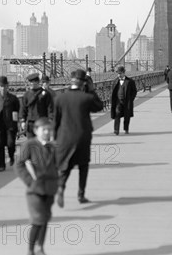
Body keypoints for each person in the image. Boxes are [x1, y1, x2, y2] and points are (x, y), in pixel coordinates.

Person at [54, 69, 104, 207]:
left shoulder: (60, 99)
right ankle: (81, 194)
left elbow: (55, 122)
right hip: (82, 137)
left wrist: (55, 139)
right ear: (83, 83)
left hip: (64, 138)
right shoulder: (86, 98)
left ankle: (61, 187)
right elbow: (99, 106)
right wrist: (92, 90)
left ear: (71, 81)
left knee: (65, 166)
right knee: (83, 165)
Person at [15, 117, 59, 255]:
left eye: (49, 129)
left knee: (45, 219)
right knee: (37, 220)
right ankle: (30, 253)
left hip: (50, 188)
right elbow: (19, 165)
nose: (47, 132)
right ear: (36, 131)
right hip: (35, 190)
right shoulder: (30, 144)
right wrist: (30, 181)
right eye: (44, 129)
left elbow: (58, 165)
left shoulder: (53, 146)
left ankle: (40, 249)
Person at [0, 76, 20, 172]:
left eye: (4, 86)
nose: (2, 88)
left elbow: (17, 111)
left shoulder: (13, 98)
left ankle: (11, 156)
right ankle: (1, 165)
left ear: (7, 86)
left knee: (11, 143)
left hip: (10, 125)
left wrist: (16, 123)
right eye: (0, 86)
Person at [20, 73, 54, 138]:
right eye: (30, 82)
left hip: (42, 121)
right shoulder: (27, 95)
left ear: (37, 82)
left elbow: (50, 108)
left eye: (33, 82)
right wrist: (23, 120)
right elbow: (23, 108)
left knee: (42, 142)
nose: (31, 84)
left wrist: (50, 119)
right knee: (31, 143)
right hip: (30, 122)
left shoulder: (45, 94)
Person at [110, 65, 138, 135]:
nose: (118, 75)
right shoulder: (115, 81)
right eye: (118, 73)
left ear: (123, 73)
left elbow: (134, 91)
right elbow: (112, 91)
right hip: (118, 101)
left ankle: (126, 129)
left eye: (120, 73)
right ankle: (116, 130)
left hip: (127, 101)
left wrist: (131, 99)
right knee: (117, 114)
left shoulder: (130, 81)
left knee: (127, 116)